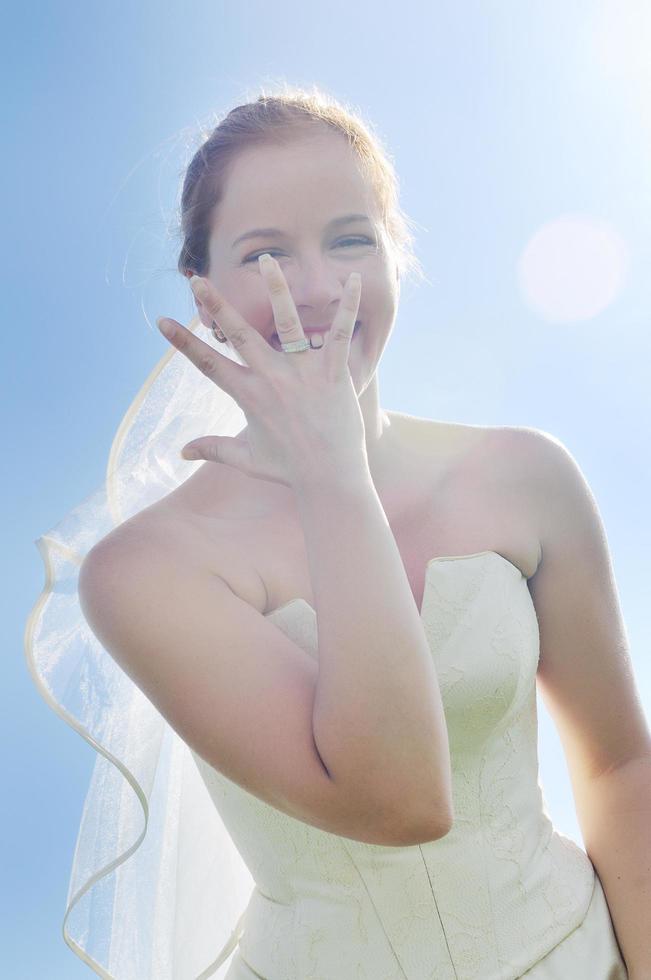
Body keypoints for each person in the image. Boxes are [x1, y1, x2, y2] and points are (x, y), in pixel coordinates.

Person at [26, 85, 648, 979]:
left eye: (351, 239)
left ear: (399, 258)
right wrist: (334, 478)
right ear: (203, 295)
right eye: (264, 252)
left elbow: (621, 766)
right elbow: (399, 802)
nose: (315, 289)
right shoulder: (143, 572)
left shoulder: (524, 476)